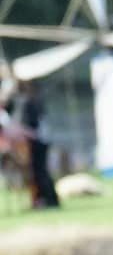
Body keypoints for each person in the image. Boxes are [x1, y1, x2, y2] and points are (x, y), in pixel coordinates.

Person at [14, 81, 60, 209]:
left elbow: (29, 126)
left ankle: (48, 200)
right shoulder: (35, 101)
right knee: (41, 171)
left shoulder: (27, 103)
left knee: (39, 172)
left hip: (36, 141)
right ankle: (48, 200)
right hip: (41, 140)